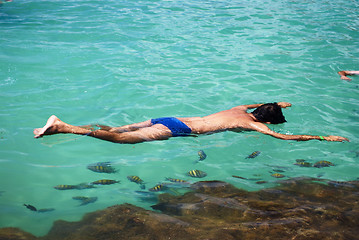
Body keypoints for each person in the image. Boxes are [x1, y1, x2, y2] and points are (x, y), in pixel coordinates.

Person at [33, 102, 349, 144]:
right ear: (267, 121)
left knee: (117, 129)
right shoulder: (254, 125)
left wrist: (279, 102)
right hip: (181, 128)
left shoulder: (242, 109)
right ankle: (63, 126)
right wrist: (322, 138)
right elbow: (286, 139)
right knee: (123, 140)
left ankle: (54, 124)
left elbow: (258, 103)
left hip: (172, 116)